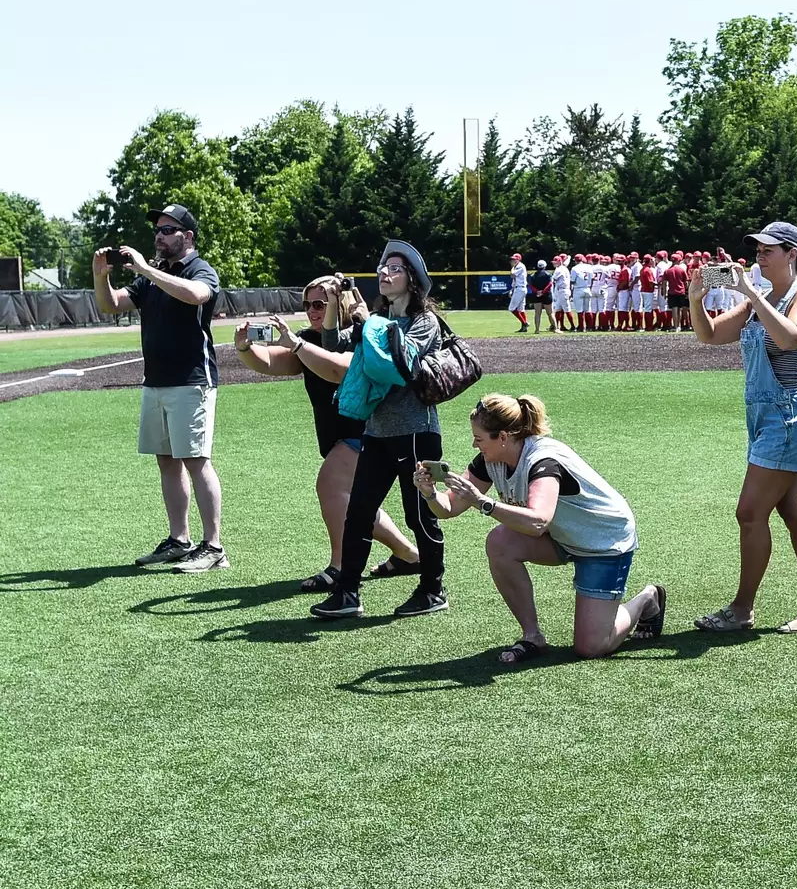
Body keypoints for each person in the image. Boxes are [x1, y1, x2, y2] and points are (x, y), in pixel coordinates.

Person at [414, 394, 665, 661]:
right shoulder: (490, 460)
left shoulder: (543, 461)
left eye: (479, 438)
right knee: (499, 543)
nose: (474, 444)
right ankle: (532, 636)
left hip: (602, 540)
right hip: (561, 535)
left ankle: (647, 599)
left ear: (503, 437)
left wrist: (483, 502)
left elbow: (537, 521)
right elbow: (449, 508)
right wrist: (429, 493)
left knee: (590, 648)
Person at [232, 275, 422, 590]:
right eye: (307, 304)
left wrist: (298, 345)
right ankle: (408, 554)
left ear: (338, 302)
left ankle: (341, 566)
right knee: (354, 501)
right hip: (343, 435)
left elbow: (339, 369)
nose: (311, 310)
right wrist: (245, 348)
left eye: (319, 303)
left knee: (331, 486)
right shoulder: (308, 337)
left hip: (368, 431)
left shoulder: (361, 333)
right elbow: (271, 363)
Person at [689, 222, 797, 633]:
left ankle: (742, 609)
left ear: (792, 255)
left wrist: (751, 294)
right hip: (769, 417)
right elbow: (711, 335)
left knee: (750, 513)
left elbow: (792, 337)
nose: (758, 255)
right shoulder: (763, 298)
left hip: (791, 418)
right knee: (794, 511)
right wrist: (697, 299)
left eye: (768, 249)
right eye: (757, 249)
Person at [310, 241, 450, 620]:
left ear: (413, 281)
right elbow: (335, 345)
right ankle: (347, 594)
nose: (384, 274)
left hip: (417, 432)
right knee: (358, 513)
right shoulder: (377, 317)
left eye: (395, 269)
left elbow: (401, 365)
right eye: (382, 268)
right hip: (377, 432)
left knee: (419, 514)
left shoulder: (425, 322)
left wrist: (368, 322)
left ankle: (433, 588)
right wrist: (335, 309)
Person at [94, 203, 228, 573]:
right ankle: (178, 540)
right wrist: (100, 274)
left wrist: (144, 268)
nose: (159, 236)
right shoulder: (153, 276)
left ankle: (214, 547)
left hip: (191, 382)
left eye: (168, 230)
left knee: (197, 461)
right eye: (158, 230)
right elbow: (111, 305)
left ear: (188, 237)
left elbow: (197, 295)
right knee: (167, 462)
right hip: (155, 381)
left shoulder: (199, 269)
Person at [663, 251, 690, 331]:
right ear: (678, 260)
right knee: (680, 309)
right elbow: (686, 282)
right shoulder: (681, 270)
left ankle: (676, 326)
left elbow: (664, 283)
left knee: (674, 308)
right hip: (681, 291)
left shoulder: (668, 270)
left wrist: (664, 293)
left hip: (672, 291)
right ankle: (679, 326)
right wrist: (686, 291)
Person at [528, 259, 554, 333]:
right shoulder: (548, 274)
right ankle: (555, 328)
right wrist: (543, 292)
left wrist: (537, 292)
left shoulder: (533, 275)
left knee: (537, 313)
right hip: (546, 294)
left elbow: (530, 285)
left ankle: (537, 329)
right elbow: (550, 284)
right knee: (550, 313)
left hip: (536, 295)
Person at [571, 254, 595, 332]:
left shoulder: (574, 268)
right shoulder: (589, 267)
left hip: (578, 289)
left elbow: (572, 281)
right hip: (587, 288)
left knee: (580, 310)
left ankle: (581, 327)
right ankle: (590, 327)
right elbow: (592, 278)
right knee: (588, 309)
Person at [507, 253, 529, 333]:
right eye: (512, 259)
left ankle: (524, 323)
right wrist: (512, 290)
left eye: (514, 259)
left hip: (520, 289)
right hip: (519, 288)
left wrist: (512, 267)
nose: (512, 261)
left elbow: (512, 275)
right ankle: (524, 327)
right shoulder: (517, 266)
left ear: (518, 259)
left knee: (511, 308)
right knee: (521, 309)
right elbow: (514, 280)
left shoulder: (520, 266)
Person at [551, 254, 572, 332]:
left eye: (555, 262)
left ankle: (573, 326)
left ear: (560, 261)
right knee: (558, 309)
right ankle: (558, 326)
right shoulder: (561, 268)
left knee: (566, 309)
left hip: (563, 290)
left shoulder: (560, 269)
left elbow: (553, 279)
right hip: (560, 290)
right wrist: (569, 257)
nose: (554, 263)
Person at [615, 252, 634, 331]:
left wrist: (619, 287)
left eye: (620, 261)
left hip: (624, 290)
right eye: (618, 260)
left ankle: (623, 325)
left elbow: (625, 282)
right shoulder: (624, 269)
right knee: (623, 309)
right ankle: (624, 325)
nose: (619, 262)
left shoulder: (625, 270)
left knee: (622, 309)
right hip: (623, 290)